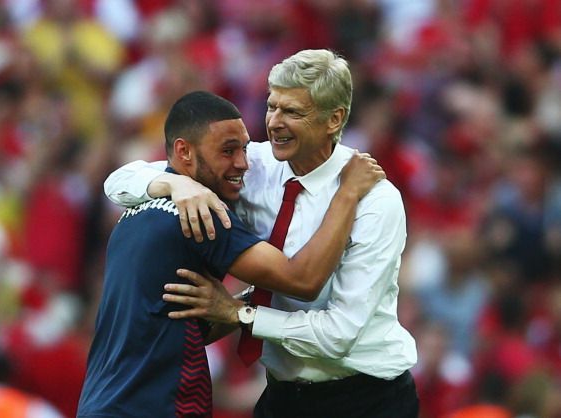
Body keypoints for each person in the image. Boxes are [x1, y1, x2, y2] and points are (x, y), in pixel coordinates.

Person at [104, 49, 419, 418]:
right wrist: (173, 185)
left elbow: (340, 333)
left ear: (334, 119)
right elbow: (120, 181)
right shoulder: (254, 164)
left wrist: (240, 312)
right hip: (283, 395)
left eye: (293, 112)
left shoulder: (374, 199)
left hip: (367, 399)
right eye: (272, 107)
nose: (275, 123)